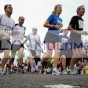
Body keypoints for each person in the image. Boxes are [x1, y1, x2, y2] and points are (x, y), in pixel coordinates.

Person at [42, 4, 63, 75]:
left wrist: (61, 31)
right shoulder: (52, 16)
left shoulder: (61, 19)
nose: (60, 9)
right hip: (50, 35)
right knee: (49, 55)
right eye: (59, 8)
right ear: (56, 9)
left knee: (58, 52)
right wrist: (54, 25)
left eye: (61, 8)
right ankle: (41, 60)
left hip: (57, 36)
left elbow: (58, 28)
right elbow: (44, 24)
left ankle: (54, 69)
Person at [68, 5, 88, 75]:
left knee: (83, 53)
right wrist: (80, 32)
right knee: (76, 54)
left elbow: (80, 31)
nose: (84, 10)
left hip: (79, 39)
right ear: (78, 10)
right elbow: (69, 28)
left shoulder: (82, 20)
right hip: (73, 38)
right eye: (82, 9)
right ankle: (71, 68)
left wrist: (84, 33)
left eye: (84, 9)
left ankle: (76, 65)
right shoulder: (74, 18)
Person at [0, 4, 16, 74]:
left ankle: (1, 69)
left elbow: (12, 32)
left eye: (11, 8)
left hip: (6, 39)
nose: (11, 9)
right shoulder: (1, 16)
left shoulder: (12, 21)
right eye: (9, 7)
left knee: (6, 55)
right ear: (5, 9)